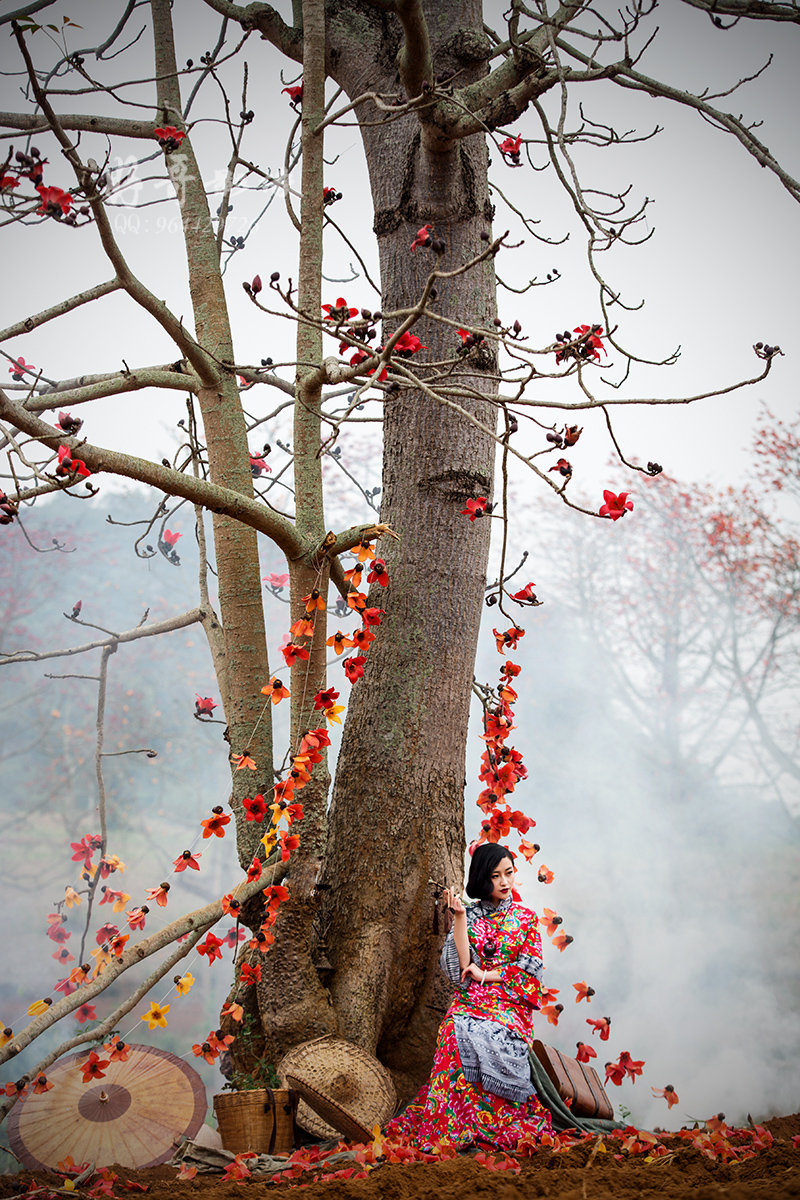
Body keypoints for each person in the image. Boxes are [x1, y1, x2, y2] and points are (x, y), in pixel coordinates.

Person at [385, 842, 554, 1151]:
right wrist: (459, 918)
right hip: (472, 999)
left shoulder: (527, 919)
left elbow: (531, 971)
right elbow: (461, 968)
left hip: (509, 1003)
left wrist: (486, 974)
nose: (504, 882)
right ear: (481, 878)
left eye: (509, 873)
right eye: (495, 876)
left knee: (483, 1032)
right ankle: (453, 1123)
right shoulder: (472, 914)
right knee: (454, 1030)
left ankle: (490, 1120)